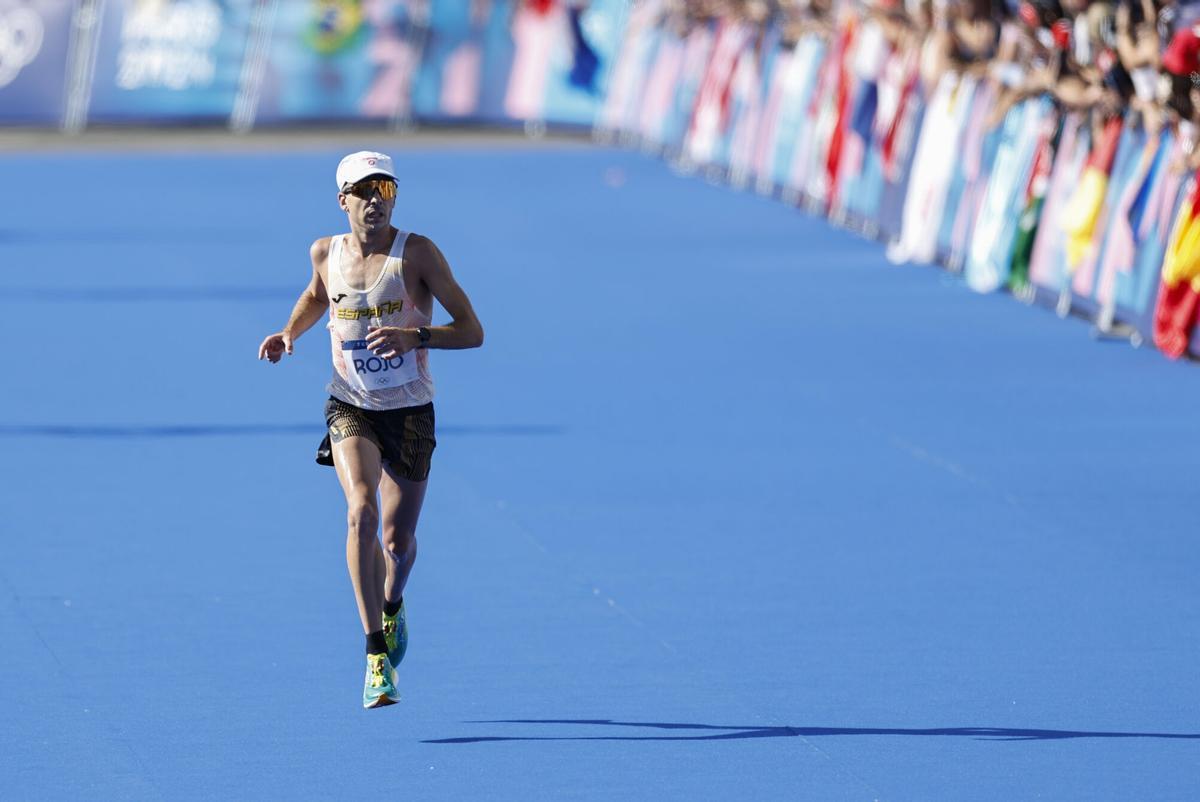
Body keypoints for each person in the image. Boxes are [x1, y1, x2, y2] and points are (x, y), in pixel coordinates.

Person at [257, 151, 484, 708]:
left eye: (386, 188)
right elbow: (317, 295)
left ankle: (393, 604)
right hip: (350, 404)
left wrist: (417, 337)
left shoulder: (419, 254)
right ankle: (375, 654)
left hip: (408, 410)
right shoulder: (324, 252)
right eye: (364, 190)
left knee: (396, 542)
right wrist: (289, 335)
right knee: (359, 508)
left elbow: (473, 331)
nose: (377, 199)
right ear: (343, 200)